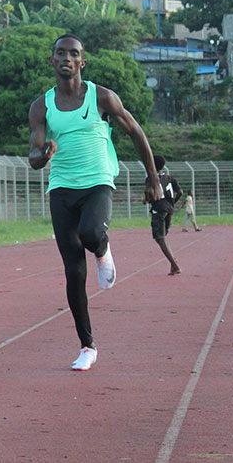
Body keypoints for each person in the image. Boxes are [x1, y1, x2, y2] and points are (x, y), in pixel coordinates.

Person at [28, 34, 162, 371]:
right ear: (52, 60)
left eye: (73, 54)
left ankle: (102, 251)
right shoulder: (41, 106)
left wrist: (153, 178)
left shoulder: (101, 97)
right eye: (60, 53)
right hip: (61, 188)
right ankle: (87, 346)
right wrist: (43, 154)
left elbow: (135, 131)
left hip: (98, 181)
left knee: (90, 233)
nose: (66, 59)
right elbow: (33, 154)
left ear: (81, 62)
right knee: (73, 272)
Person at [148, 155, 182, 276]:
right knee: (163, 237)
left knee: (159, 238)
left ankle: (175, 264)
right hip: (169, 209)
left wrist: (147, 200)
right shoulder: (169, 177)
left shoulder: (151, 179)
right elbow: (180, 191)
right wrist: (172, 203)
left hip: (159, 210)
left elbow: (150, 192)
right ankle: (173, 262)